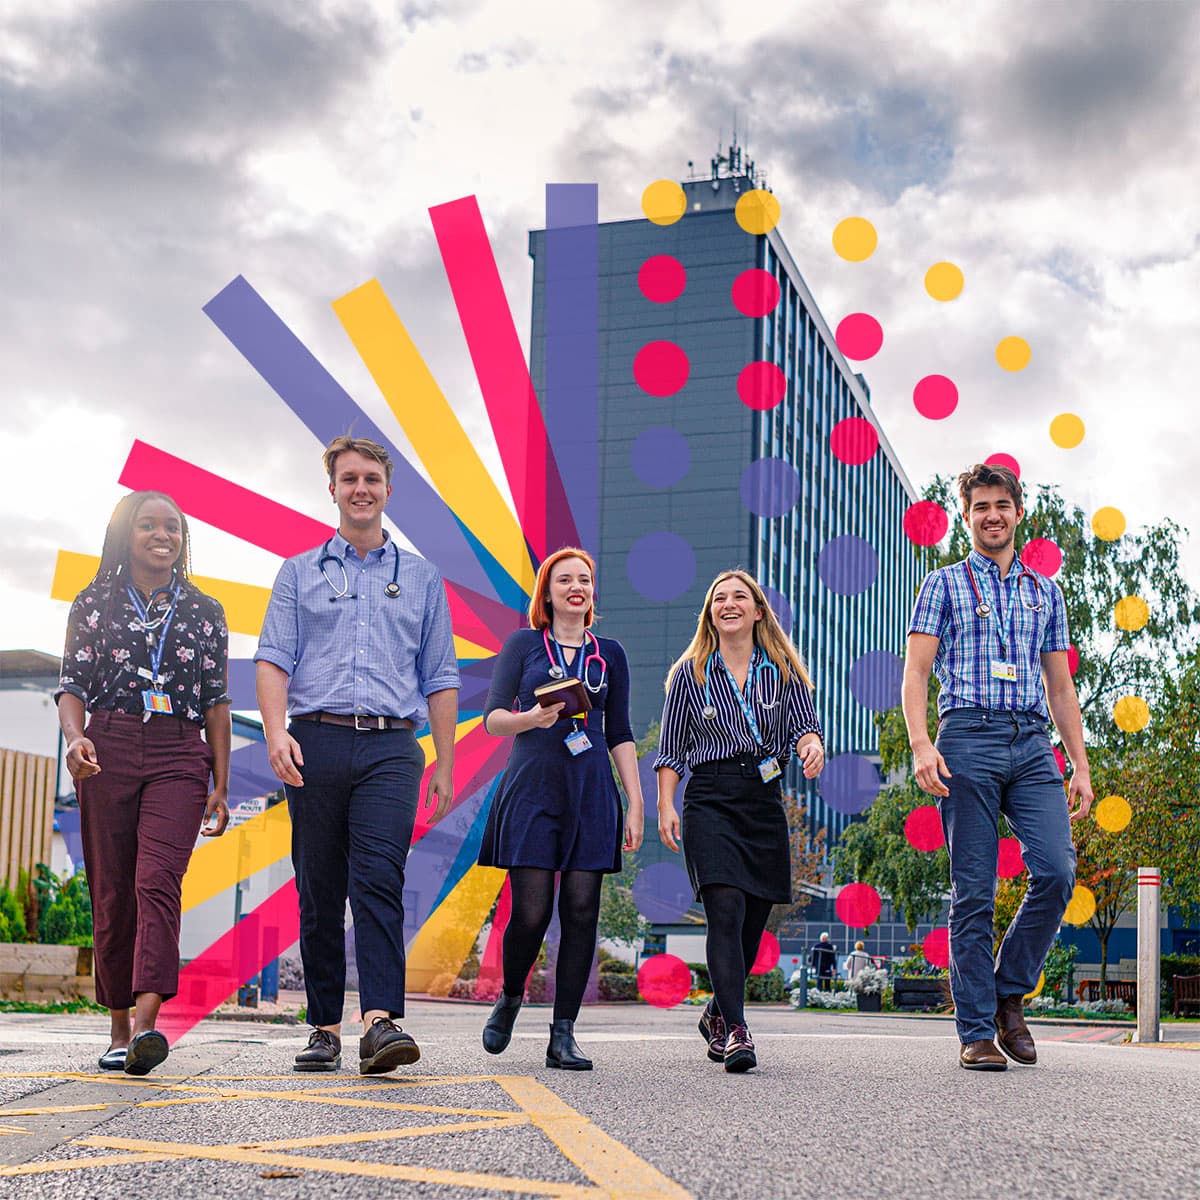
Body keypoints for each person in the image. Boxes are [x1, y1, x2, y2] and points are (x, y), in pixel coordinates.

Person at [256, 436, 460, 1075]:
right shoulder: (298, 572)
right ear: (334, 490)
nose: (361, 488)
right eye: (350, 478)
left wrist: (446, 761)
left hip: (392, 748)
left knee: (378, 878)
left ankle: (380, 1023)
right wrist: (275, 733)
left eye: (372, 478)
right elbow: (273, 659)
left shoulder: (422, 578)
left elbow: (440, 676)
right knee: (319, 887)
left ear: (388, 489)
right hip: (313, 741)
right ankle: (323, 1028)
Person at [903, 462, 1092, 1071]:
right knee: (975, 892)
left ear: (1017, 513)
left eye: (1001, 505)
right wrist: (921, 744)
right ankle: (978, 1031)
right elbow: (916, 672)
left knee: (1057, 871)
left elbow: (1061, 688)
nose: (992, 516)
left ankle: (1010, 991)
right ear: (966, 517)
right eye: (980, 506)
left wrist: (1080, 765)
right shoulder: (943, 585)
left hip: (1033, 743)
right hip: (968, 739)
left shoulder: (1046, 592)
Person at [55, 491, 231, 1077]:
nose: (162, 535)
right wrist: (75, 738)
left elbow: (217, 700)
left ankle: (147, 1028)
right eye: (148, 525)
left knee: (157, 881)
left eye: (172, 527)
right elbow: (72, 685)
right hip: (107, 744)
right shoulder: (94, 602)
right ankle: (118, 1027)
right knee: (112, 890)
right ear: (125, 534)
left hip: (180, 751)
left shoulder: (205, 610)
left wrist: (221, 784)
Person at [477, 548, 643, 1070]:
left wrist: (635, 801)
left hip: (590, 792)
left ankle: (563, 1033)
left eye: (584, 580)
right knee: (530, 912)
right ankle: (511, 996)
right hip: (533, 787)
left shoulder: (610, 653)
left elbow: (619, 731)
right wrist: (531, 718)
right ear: (547, 593)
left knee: (581, 911)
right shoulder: (524, 645)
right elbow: (492, 719)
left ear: (592, 592)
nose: (576, 587)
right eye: (565, 580)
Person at [656, 570, 824, 1073]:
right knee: (724, 909)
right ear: (710, 613)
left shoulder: (783, 670)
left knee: (752, 923)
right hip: (709, 798)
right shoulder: (690, 674)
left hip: (762, 798)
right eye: (719, 598)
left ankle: (716, 1010)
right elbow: (671, 750)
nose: (728, 604)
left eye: (739, 597)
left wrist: (811, 746)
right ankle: (736, 1029)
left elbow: (804, 726)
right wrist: (666, 804)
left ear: (757, 611)